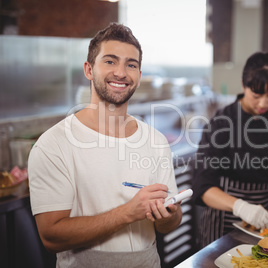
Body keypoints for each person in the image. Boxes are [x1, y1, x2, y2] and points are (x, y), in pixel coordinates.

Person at [28, 23, 182, 268]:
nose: (121, 73)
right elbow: (51, 236)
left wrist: (168, 216)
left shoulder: (156, 141)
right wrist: (128, 212)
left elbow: (169, 225)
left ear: (139, 76)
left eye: (131, 64)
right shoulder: (53, 144)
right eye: (110, 61)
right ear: (89, 70)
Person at [192, 52, 268, 247]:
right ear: (243, 85)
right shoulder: (222, 123)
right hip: (223, 219)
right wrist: (240, 207)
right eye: (256, 95)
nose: (263, 103)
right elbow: (202, 186)